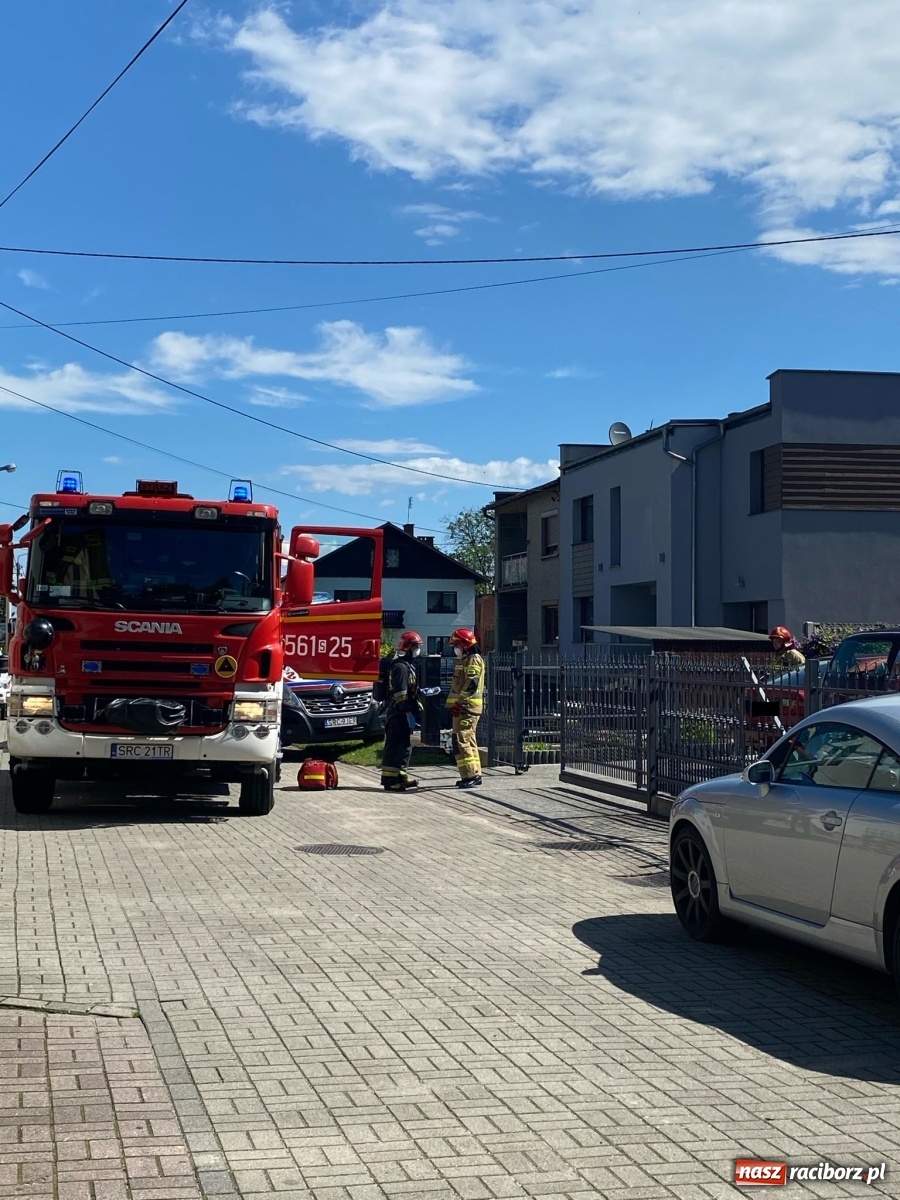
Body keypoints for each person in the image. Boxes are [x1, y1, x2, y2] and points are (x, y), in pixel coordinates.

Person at [380, 630, 424, 791]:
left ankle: (401, 777)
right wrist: (407, 712)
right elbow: (400, 694)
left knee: (404, 746)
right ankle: (390, 781)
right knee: (395, 746)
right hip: (398, 714)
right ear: (408, 647)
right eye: (416, 646)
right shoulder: (400, 667)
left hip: (402, 713)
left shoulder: (407, 666)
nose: (418, 650)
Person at [446, 628, 485, 789]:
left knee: (463, 741)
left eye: (456, 645)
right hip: (462, 708)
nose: (455, 649)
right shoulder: (465, 660)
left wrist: (459, 703)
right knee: (467, 741)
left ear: (464, 645)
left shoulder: (473, 659)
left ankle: (471, 775)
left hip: (466, 708)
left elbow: (471, 684)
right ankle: (472, 774)